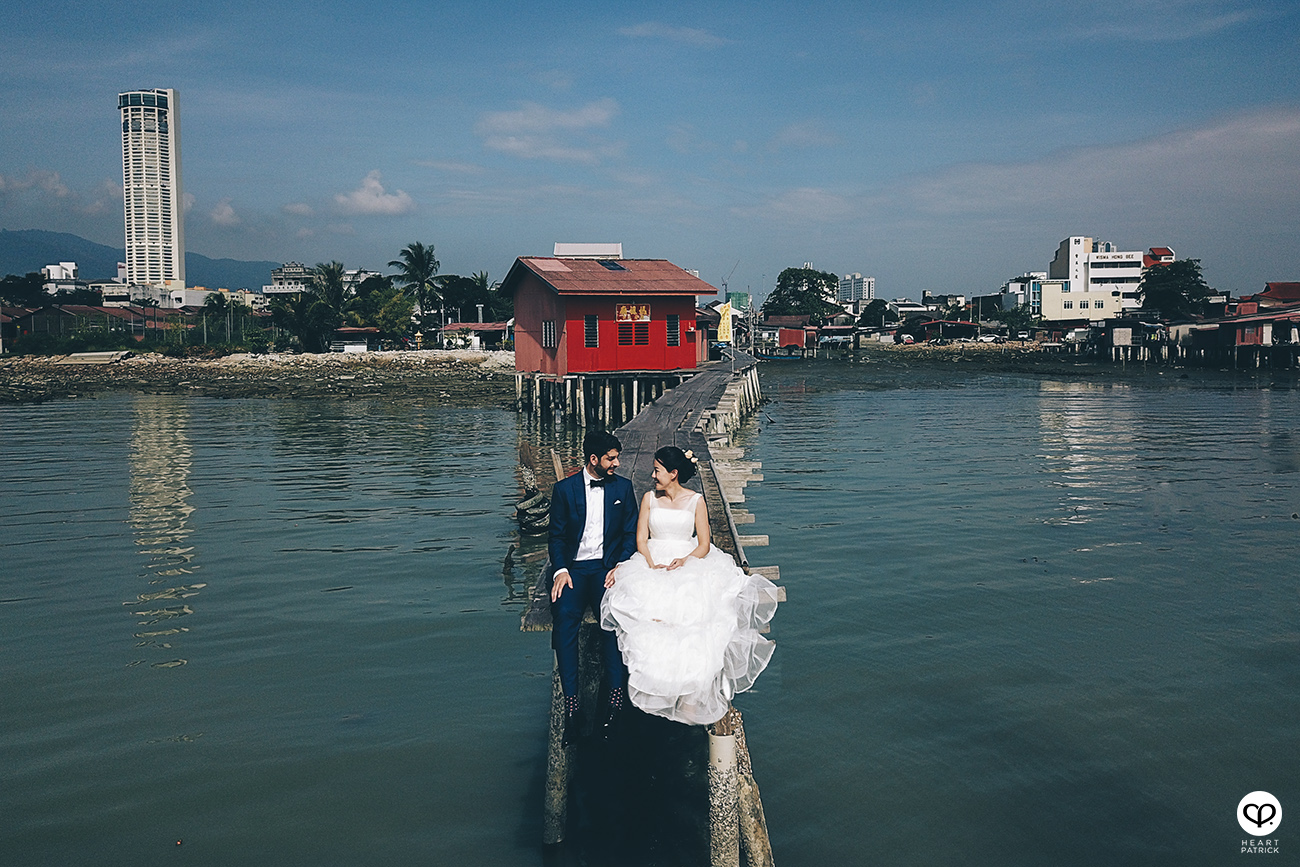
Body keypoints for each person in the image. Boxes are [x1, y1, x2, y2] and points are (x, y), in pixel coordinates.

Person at [600, 446, 779, 726]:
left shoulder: (696, 500)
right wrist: (651, 564)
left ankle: (690, 693)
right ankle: (661, 683)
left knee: (697, 614)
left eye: (657, 470)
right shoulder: (649, 498)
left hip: (687, 558)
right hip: (653, 559)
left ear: (673, 473)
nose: (653, 476)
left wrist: (685, 561)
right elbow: (641, 540)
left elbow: (704, 544)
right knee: (649, 612)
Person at [549, 430, 640, 745]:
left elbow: (630, 534)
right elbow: (557, 536)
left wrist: (621, 565)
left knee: (613, 622)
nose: (617, 463)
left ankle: (615, 702)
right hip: (574, 569)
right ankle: (572, 708)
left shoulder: (623, 488)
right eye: (611, 459)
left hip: (606, 569)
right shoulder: (564, 490)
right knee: (564, 619)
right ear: (593, 459)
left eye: (617, 458)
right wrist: (560, 570)